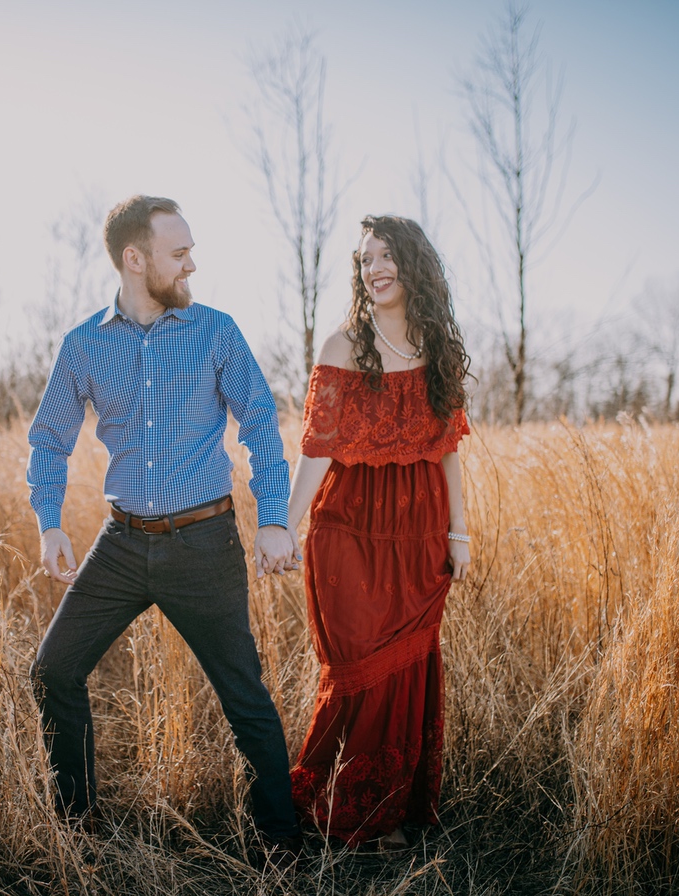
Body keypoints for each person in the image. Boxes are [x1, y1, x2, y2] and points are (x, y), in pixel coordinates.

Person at [26, 195, 303, 862]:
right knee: (52, 672)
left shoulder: (215, 331)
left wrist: (273, 519)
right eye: (179, 253)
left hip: (203, 545)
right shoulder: (84, 345)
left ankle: (281, 842)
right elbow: (49, 440)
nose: (191, 265)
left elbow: (261, 426)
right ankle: (78, 828)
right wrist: (49, 522)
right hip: (119, 545)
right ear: (134, 258)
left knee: (244, 695)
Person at [285, 214, 471, 849]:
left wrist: (460, 533)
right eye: (366, 260)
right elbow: (316, 448)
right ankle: (335, 809)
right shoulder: (344, 346)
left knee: (408, 668)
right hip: (348, 529)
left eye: (386, 256)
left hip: (420, 531)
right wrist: (284, 524)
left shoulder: (437, 347)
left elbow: (448, 450)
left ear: (412, 265)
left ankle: (387, 814)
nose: (375, 269)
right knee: (355, 666)